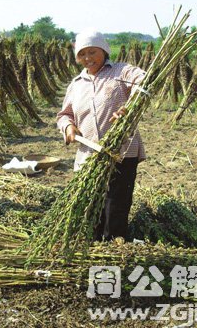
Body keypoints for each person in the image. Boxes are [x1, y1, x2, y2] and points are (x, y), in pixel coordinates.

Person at [56, 29, 146, 242]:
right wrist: (68, 127)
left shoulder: (121, 71)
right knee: (91, 205)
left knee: (116, 206)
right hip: (89, 154)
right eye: (82, 54)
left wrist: (129, 107)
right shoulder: (77, 84)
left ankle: (115, 249)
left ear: (104, 51)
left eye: (93, 52)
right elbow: (64, 114)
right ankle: (95, 247)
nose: (88, 58)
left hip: (121, 152)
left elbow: (143, 82)